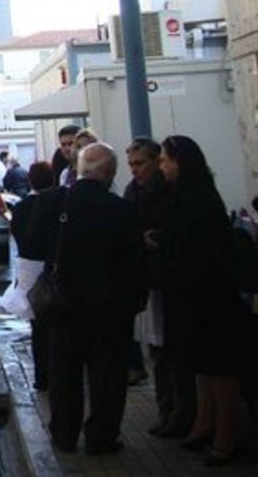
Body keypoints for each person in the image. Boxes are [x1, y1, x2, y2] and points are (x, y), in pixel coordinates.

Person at [26, 143, 145, 455]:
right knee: (108, 377)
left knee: (64, 374)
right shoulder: (122, 209)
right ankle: (101, 438)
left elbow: (32, 246)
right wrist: (134, 302)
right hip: (110, 308)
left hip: (63, 305)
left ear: (79, 170)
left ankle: (64, 436)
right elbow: (135, 264)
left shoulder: (51, 201)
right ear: (110, 174)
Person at [153, 135, 252, 466]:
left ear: (180, 162)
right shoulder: (189, 194)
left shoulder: (196, 198)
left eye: (165, 159)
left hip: (210, 296)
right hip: (195, 294)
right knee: (205, 366)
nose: (161, 166)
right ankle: (206, 424)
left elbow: (193, 245)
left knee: (219, 368)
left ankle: (224, 436)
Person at [122, 137, 180, 435]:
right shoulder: (133, 191)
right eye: (131, 164)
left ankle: (179, 412)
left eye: (140, 163)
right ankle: (166, 410)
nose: (135, 170)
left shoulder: (169, 191)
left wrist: (153, 238)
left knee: (171, 351)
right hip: (146, 279)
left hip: (168, 280)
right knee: (157, 350)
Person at [10, 161, 56, 390]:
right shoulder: (59, 204)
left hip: (30, 270)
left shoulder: (21, 208)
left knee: (37, 325)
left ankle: (41, 377)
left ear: (30, 181)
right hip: (53, 268)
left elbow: (17, 236)